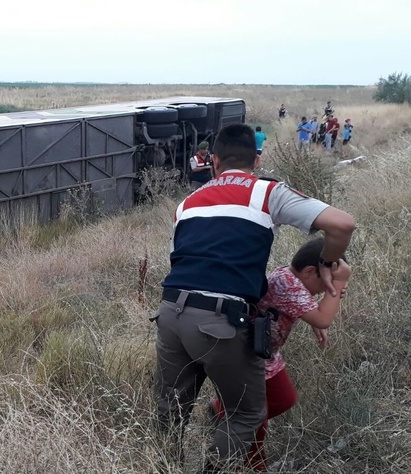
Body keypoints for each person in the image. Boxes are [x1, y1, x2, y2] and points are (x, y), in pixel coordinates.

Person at [152, 124, 355, 470]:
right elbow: (342, 224)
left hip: (170, 313)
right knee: (246, 411)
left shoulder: (187, 204)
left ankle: (163, 466)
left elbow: (179, 259)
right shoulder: (266, 193)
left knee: (170, 411)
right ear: (256, 160)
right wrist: (326, 262)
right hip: (220, 321)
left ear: (214, 161)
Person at [210, 238, 352, 471]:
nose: (328, 289)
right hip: (247, 356)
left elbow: (307, 308)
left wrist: (315, 319)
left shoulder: (290, 276)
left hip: (265, 354)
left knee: (285, 399)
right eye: (326, 282)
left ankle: (221, 411)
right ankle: (249, 466)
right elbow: (323, 316)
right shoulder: (289, 284)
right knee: (256, 417)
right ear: (309, 272)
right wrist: (339, 282)